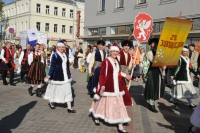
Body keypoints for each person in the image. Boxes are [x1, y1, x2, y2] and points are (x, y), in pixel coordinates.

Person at [90, 44, 131, 133]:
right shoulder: (106, 61)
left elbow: (118, 72)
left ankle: (120, 126)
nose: (115, 53)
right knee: (102, 103)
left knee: (119, 105)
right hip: (108, 86)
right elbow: (102, 74)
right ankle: (96, 116)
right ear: (110, 52)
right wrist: (103, 85)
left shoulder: (117, 61)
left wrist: (126, 76)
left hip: (117, 86)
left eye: (116, 51)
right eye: (113, 51)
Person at [44, 42, 76, 113]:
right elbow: (52, 66)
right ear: (57, 48)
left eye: (62, 47)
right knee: (54, 89)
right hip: (57, 75)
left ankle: (69, 107)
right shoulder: (55, 55)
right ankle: (51, 102)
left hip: (66, 76)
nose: (61, 48)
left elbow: (67, 66)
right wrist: (49, 74)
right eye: (60, 47)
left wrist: (69, 74)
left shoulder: (66, 55)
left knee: (68, 90)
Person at [143, 38, 166, 113]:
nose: (154, 44)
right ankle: (151, 104)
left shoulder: (160, 52)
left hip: (158, 71)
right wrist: (162, 64)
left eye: (155, 43)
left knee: (156, 87)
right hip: (152, 71)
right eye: (152, 43)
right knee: (151, 88)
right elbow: (154, 61)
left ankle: (153, 101)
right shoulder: (150, 52)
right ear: (151, 44)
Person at [117, 40, 133, 106]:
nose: (126, 47)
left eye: (128, 46)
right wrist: (124, 75)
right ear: (123, 47)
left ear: (129, 48)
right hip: (119, 75)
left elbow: (129, 68)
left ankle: (123, 102)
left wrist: (132, 65)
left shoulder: (129, 55)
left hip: (126, 74)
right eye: (125, 46)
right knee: (119, 88)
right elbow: (117, 68)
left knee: (124, 89)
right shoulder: (119, 54)